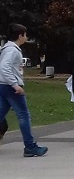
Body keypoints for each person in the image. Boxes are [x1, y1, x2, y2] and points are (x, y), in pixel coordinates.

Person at [0, 24, 47, 157]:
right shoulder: (12, 50)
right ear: (20, 36)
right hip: (10, 87)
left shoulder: (7, 48)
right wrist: (15, 85)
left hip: (3, 85)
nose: (26, 38)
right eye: (25, 35)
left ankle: (30, 146)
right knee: (24, 115)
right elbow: (4, 68)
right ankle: (30, 146)